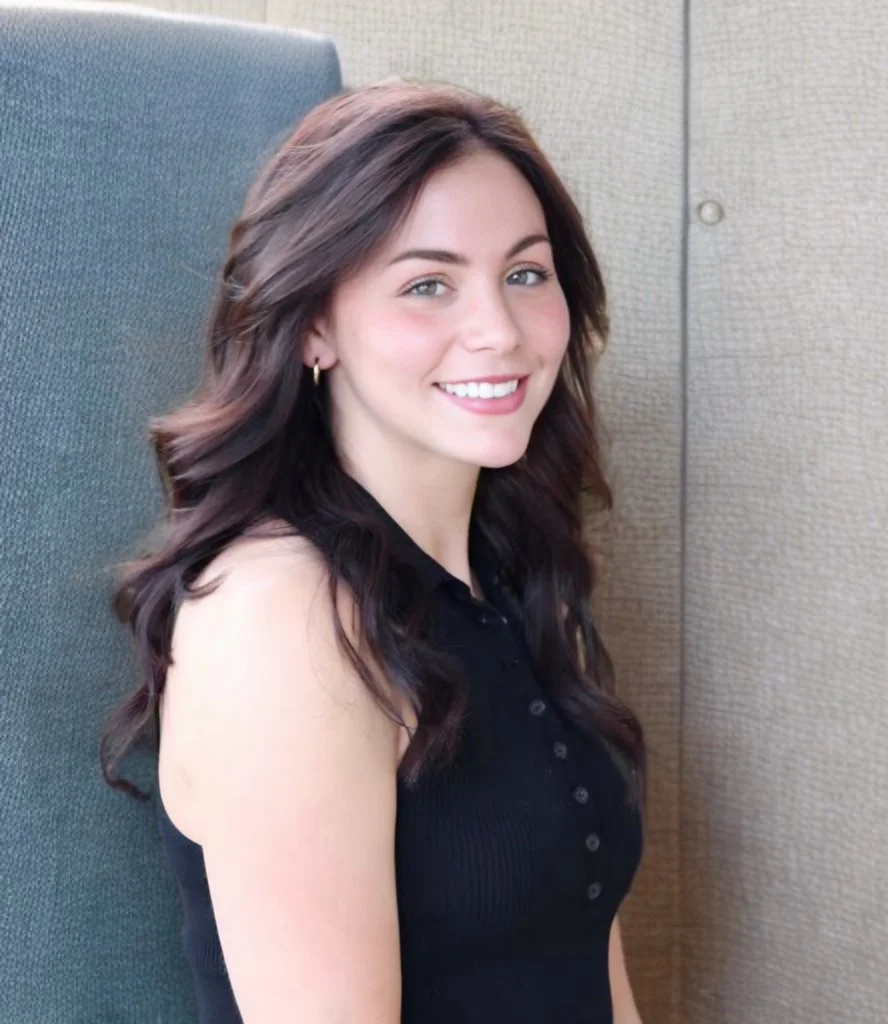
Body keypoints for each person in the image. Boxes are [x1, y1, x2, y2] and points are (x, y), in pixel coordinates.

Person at [101, 79, 647, 1023]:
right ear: (315, 324)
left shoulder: (517, 568)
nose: (500, 331)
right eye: (427, 284)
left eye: (526, 273)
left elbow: (591, 964)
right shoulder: (283, 619)